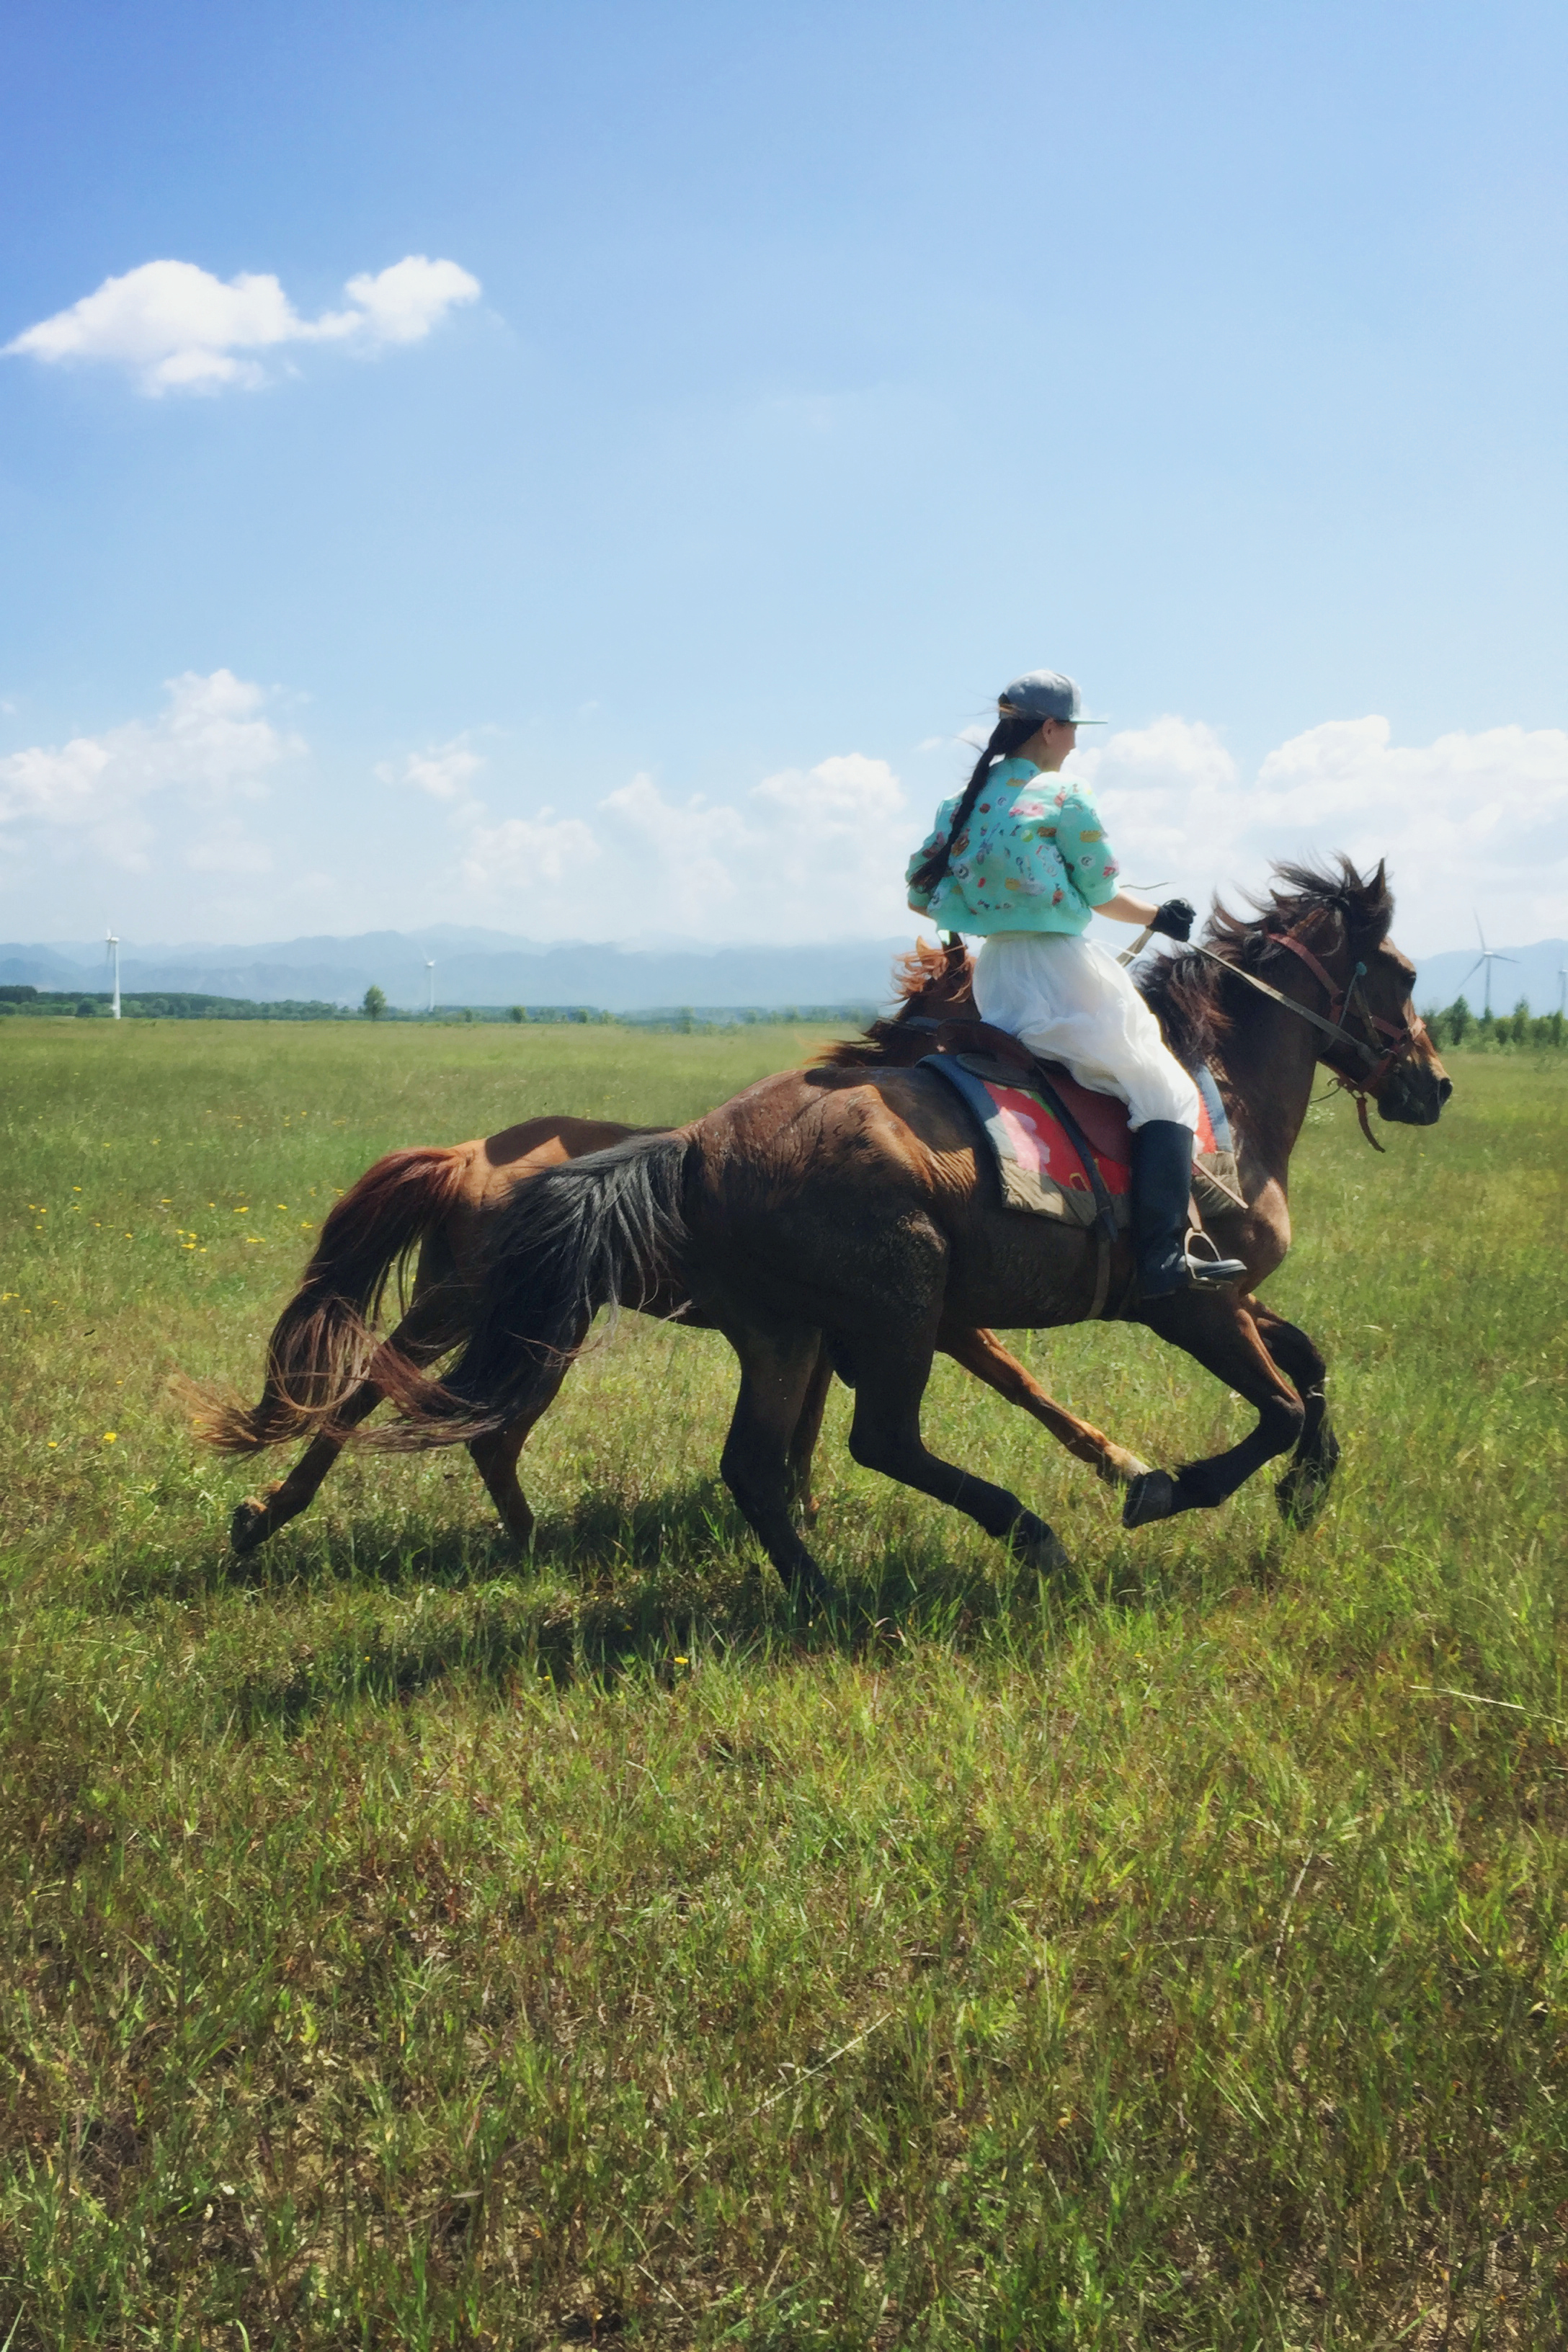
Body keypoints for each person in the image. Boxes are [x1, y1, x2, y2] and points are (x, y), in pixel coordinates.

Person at [906, 667, 1246, 1298]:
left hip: (999, 975)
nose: (1076, 744)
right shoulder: (1063, 796)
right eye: (1073, 731)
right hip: (1062, 969)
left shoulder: (959, 807)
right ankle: (1163, 1258)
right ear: (1050, 727)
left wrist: (993, 911)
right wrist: (1158, 917)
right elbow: (1103, 892)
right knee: (1166, 1091)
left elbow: (919, 896)